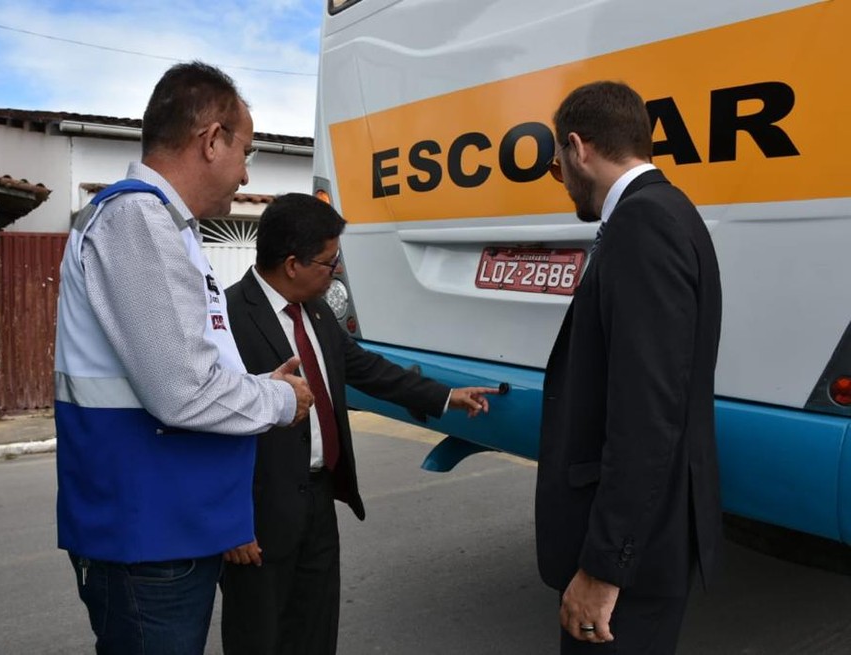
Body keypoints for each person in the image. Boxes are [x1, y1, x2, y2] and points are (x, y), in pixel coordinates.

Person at [52, 61, 313, 655]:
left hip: (169, 529)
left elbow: (187, 365)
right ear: (211, 139)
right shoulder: (137, 221)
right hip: (148, 538)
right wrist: (277, 399)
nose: (246, 175)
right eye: (245, 152)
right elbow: (181, 390)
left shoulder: (167, 226)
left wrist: (249, 382)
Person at [220, 192, 498, 655]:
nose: (336, 273)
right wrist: (229, 524)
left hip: (319, 500)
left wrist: (446, 396)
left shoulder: (316, 311)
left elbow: (367, 368)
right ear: (293, 264)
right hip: (257, 516)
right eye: (329, 263)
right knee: (259, 637)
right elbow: (212, 429)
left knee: (316, 628)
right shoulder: (227, 319)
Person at [535, 81, 723, 653]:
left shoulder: (644, 224)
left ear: (577, 148)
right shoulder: (667, 211)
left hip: (634, 556)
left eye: (556, 166)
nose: (561, 180)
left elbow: (647, 413)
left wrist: (604, 566)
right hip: (648, 540)